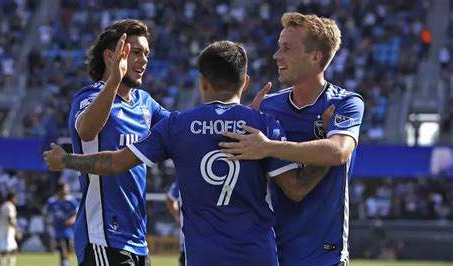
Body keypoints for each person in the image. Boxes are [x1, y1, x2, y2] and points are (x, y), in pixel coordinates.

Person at [44, 40, 330, 266]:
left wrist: (66, 159)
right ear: (245, 83)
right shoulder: (263, 125)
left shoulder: (177, 126)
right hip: (258, 256)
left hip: (203, 258)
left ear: (202, 81)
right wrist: (325, 144)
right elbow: (296, 188)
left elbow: (115, 162)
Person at [220, 12, 365, 266]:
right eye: (278, 47)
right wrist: (247, 121)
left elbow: (339, 151)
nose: (276, 55)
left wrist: (268, 146)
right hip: (269, 252)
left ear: (315, 57)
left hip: (325, 254)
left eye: (286, 48)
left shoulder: (346, 103)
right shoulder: (267, 106)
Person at [68, 19, 169, 265]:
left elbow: (182, 128)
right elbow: (86, 130)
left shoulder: (145, 103)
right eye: (136, 52)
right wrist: (114, 81)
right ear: (110, 56)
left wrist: (234, 115)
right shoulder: (88, 96)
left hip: (137, 239)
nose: (144, 60)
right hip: (103, 237)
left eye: (146, 53)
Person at [43, 183, 79, 266]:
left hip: (68, 229)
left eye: (67, 189)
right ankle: (64, 262)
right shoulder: (51, 202)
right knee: (62, 247)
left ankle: (64, 262)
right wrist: (49, 221)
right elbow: (45, 214)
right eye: (65, 189)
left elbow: (76, 214)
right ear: (59, 190)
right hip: (56, 229)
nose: (67, 191)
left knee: (68, 249)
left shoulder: (71, 201)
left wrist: (70, 221)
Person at [0, 192, 21, 266]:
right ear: (12, 198)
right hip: (7, 232)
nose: (16, 200)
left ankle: (3, 264)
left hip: (3, 230)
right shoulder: (10, 206)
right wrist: (17, 230)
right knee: (5, 250)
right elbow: (10, 219)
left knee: (12, 249)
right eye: (15, 198)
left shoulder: (3, 205)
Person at [165, 182, 185, 266]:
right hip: (218, 241)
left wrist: (177, 217)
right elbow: (171, 198)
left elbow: (170, 199)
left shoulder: (187, 175)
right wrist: (178, 218)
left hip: (191, 243)